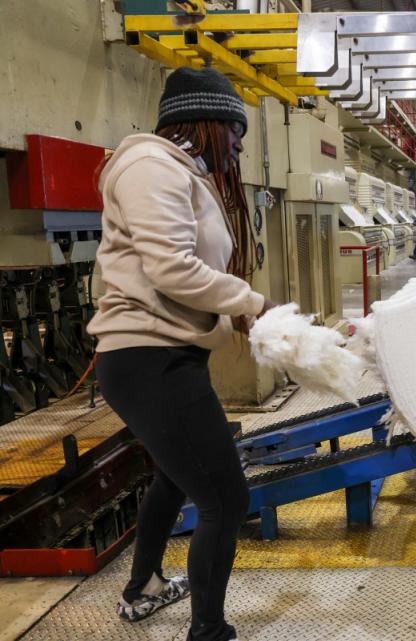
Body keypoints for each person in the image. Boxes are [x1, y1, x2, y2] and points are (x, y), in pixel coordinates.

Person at [88, 67, 277, 641]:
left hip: (163, 355)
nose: (240, 144)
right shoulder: (149, 167)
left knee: (176, 478)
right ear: (204, 122)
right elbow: (171, 268)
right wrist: (250, 304)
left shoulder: (178, 170)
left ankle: (143, 587)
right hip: (149, 359)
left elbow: (184, 271)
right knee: (225, 496)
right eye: (234, 130)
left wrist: (234, 314)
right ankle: (209, 632)